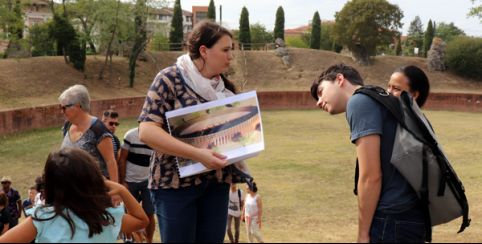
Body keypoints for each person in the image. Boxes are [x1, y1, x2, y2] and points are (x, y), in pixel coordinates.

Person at [138, 20, 248, 242]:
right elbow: (147, 131)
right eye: (225, 50)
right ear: (204, 51)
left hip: (216, 185)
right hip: (174, 187)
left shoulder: (224, 89)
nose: (230, 56)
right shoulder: (169, 79)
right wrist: (198, 154)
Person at [310, 63, 426, 242]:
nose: (318, 102)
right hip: (410, 212)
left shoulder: (359, 102)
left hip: (391, 217)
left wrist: (362, 234)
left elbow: (371, 176)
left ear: (339, 79)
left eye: (320, 91)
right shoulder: (378, 97)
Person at [0, 148, 149, 243]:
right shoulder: (106, 216)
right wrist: (122, 190)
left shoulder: (44, 218)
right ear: (94, 179)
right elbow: (141, 221)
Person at [58, 84, 118, 182]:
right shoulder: (67, 126)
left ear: (78, 106)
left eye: (64, 107)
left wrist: (116, 193)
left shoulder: (98, 130)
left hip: (94, 191)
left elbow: (111, 162)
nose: (62, 111)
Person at [118, 127, 156, 243]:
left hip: (148, 181)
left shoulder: (155, 137)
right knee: (130, 213)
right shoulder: (130, 135)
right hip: (130, 181)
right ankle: (131, 239)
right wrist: (123, 181)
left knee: (149, 213)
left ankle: (149, 240)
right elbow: (123, 159)